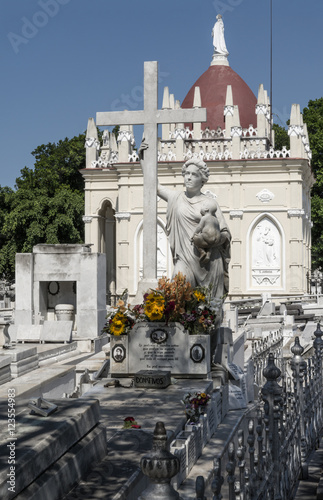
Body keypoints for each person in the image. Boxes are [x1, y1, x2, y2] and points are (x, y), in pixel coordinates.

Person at [139, 141, 231, 299]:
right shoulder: (176, 198)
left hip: (209, 263)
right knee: (179, 286)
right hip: (185, 258)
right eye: (186, 173)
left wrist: (210, 240)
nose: (189, 177)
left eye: (194, 174)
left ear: (202, 179)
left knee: (210, 310)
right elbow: (155, 186)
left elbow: (225, 233)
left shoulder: (209, 203)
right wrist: (143, 159)